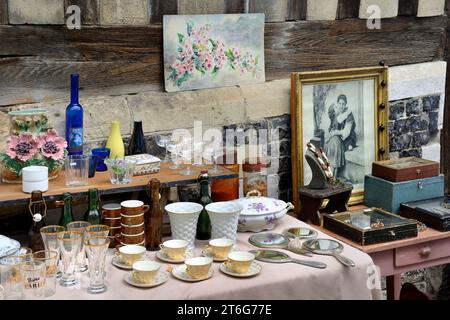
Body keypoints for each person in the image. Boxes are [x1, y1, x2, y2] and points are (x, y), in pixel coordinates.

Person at [324, 94, 357, 178]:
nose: (341, 106)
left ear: (346, 104)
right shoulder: (336, 112)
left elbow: (346, 132)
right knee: (328, 145)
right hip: (337, 137)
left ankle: (333, 175)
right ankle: (328, 173)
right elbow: (332, 127)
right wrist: (332, 131)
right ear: (337, 103)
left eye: (343, 104)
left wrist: (335, 132)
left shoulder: (349, 114)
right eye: (340, 103)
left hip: (348, 138)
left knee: (335, 143)